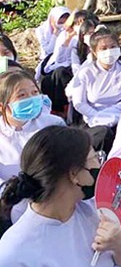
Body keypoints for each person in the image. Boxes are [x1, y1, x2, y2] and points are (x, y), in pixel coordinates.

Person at [0, 126, 121, 267]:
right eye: (95, 158)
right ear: (74, 175)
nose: (100, 165)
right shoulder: (13, 254)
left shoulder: (94, 210)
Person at [0, 70, 66, 223]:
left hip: (50, 196)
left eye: (34, 92)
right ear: (3, 106)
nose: (31, 98)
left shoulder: (53, 124)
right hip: (9, 201)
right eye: (22, 95)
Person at [69, 29, 121, 152]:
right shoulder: (86, 73)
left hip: (120, 116)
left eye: (112, 47)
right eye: (103, 48)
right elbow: (79, 103)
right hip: (93, 121)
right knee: (103, 134)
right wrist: (98, 116)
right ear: (94, 52)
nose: (109, 51)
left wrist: (113, 115)